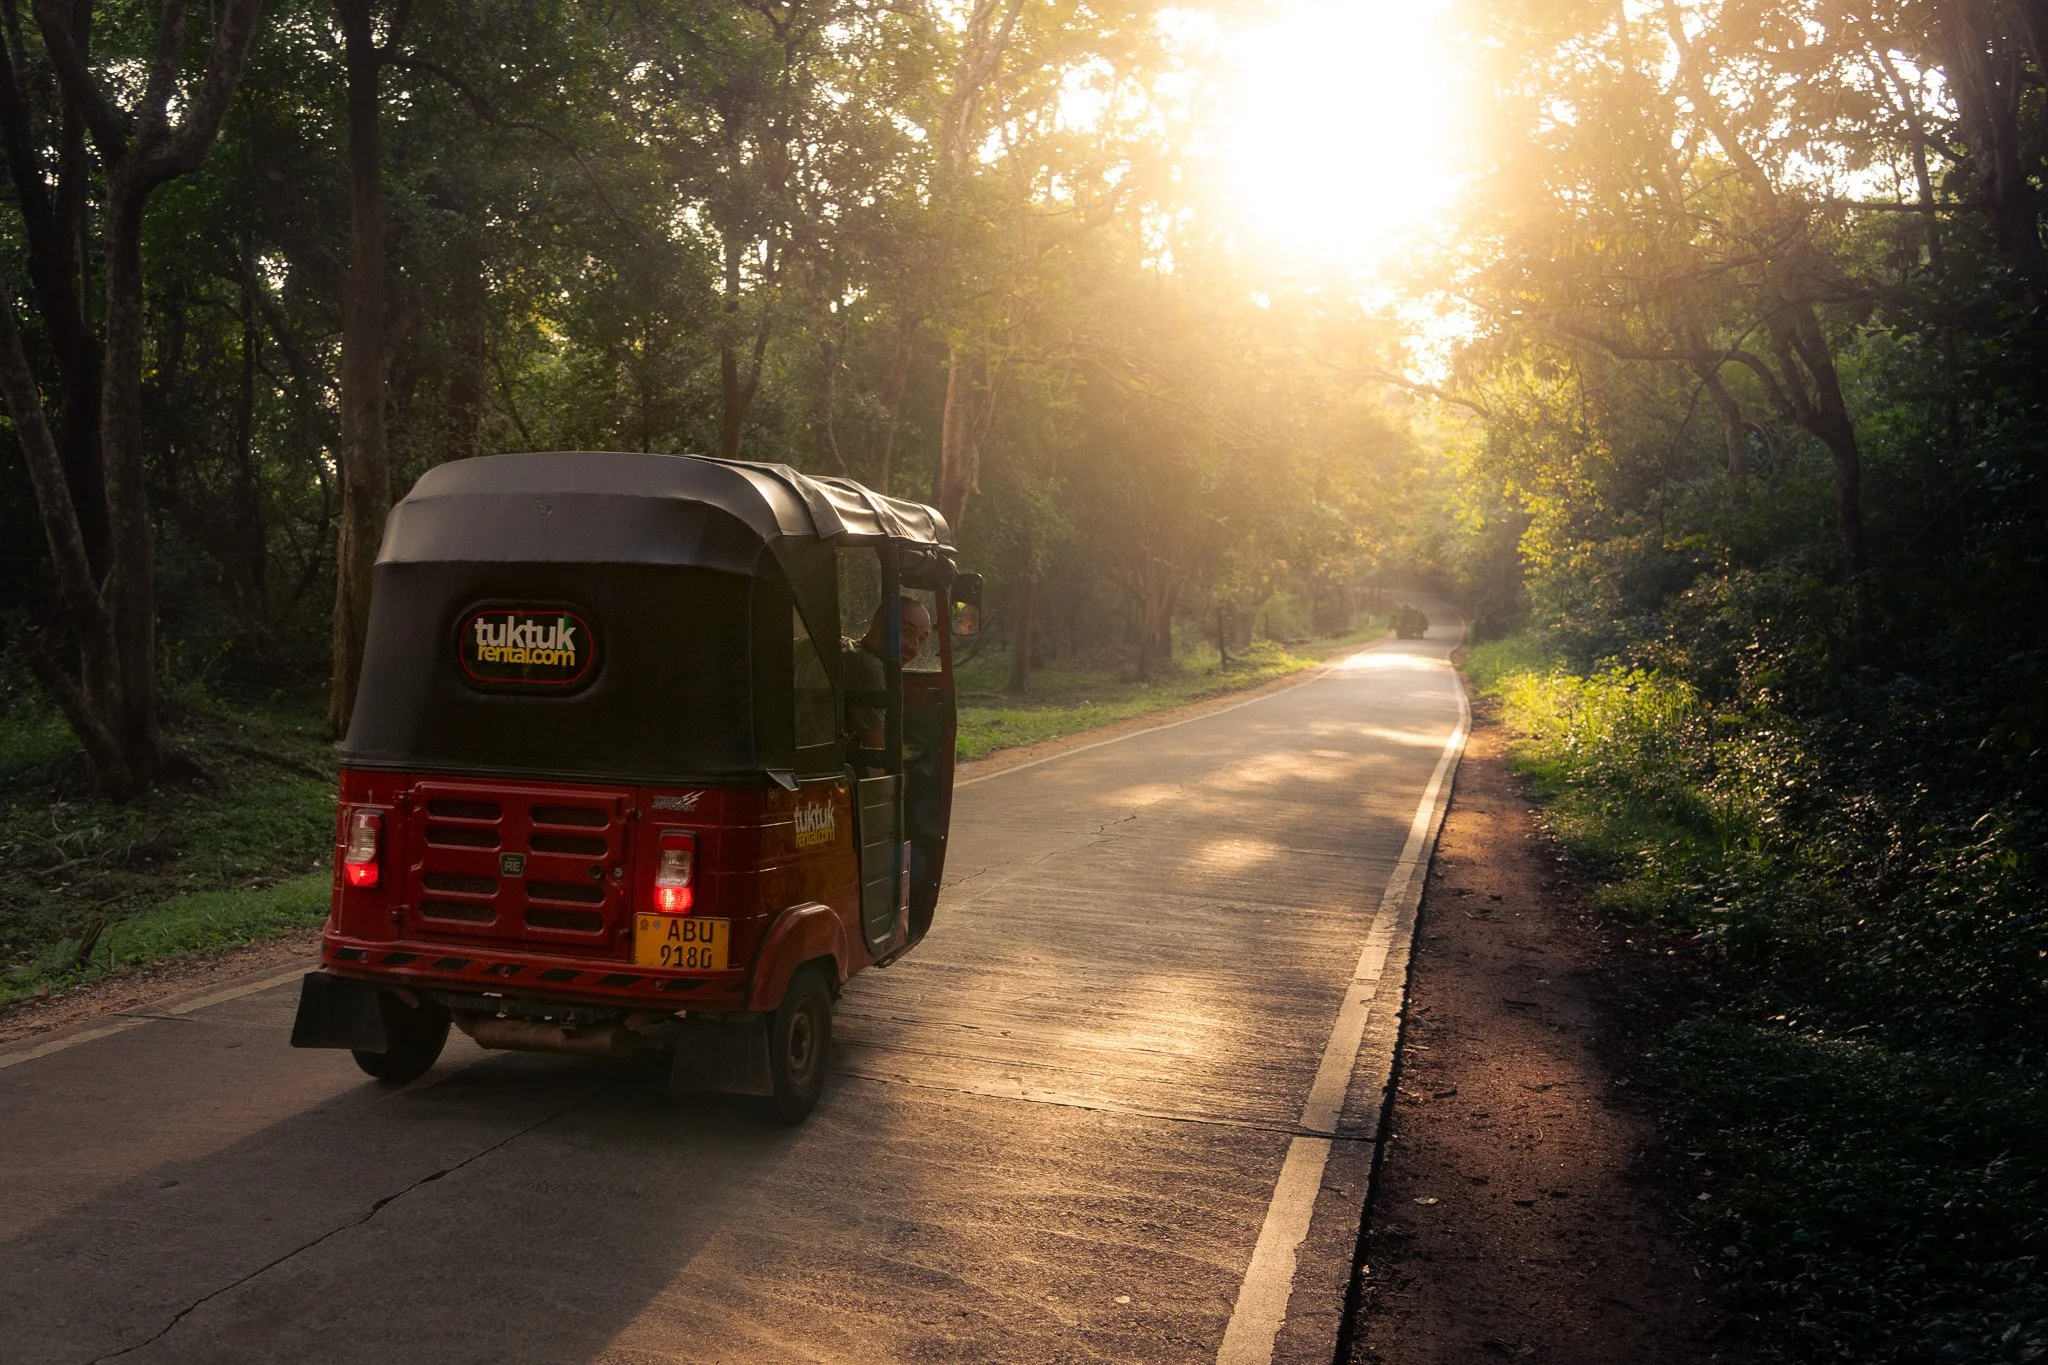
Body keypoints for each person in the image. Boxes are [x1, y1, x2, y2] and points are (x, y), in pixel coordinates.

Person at [844, 597, 931, 754]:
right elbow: (877, 758)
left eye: (921, 639)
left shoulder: (846, 647)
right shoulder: (870, 668)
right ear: (880, 625)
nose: (914, 648)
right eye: (906, 632)